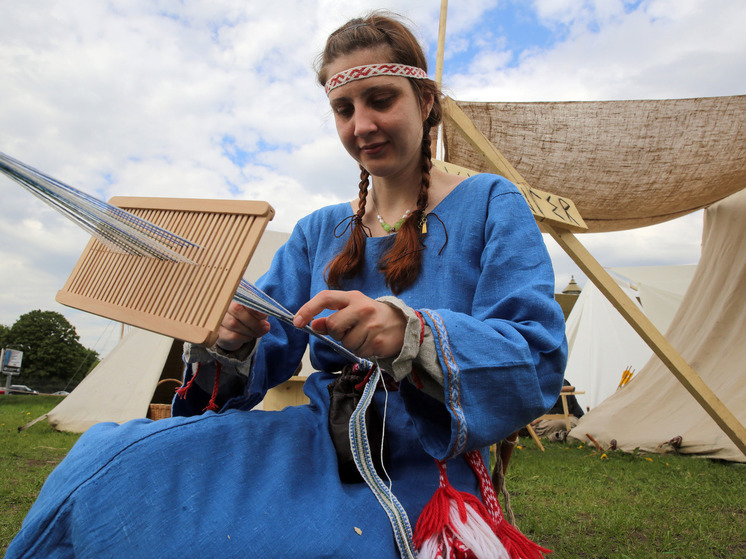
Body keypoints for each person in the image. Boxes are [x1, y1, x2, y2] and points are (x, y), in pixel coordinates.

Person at [7, 12, 567, 558]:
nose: (361, 126)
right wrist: (232, 338)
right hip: (318, 441)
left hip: (424, 463)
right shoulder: (318, 231)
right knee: (108, 459)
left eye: (381, 99)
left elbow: (537, 356)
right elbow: (258, 357)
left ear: (425, 102)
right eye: (343, 109)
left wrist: (407, 332)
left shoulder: (493, 203)